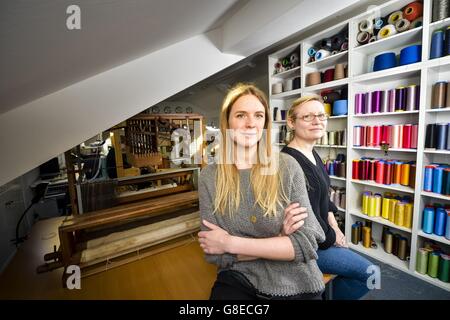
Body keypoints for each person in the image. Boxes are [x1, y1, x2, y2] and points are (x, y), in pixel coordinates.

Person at [197, 83, 325, 300]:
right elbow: (213, 253)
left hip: (297, 283)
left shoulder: (287, 166)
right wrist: (280, 239)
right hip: (239, 280)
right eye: (240, 115)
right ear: (227, 122)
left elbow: (306, 244)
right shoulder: (210, 177)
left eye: (258, 115)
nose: (250, 124)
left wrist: (230, 243)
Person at [281, 95, 375, 300]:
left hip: (325, 236)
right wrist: (333, 239)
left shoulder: (312, 154)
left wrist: (336, 227)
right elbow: (305, 220)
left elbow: (325, 198)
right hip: (309, 245)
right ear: (291, 122)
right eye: (307, 116)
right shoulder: (288, 163)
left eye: (321, 115)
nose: (317, 121)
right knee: (371, 274)